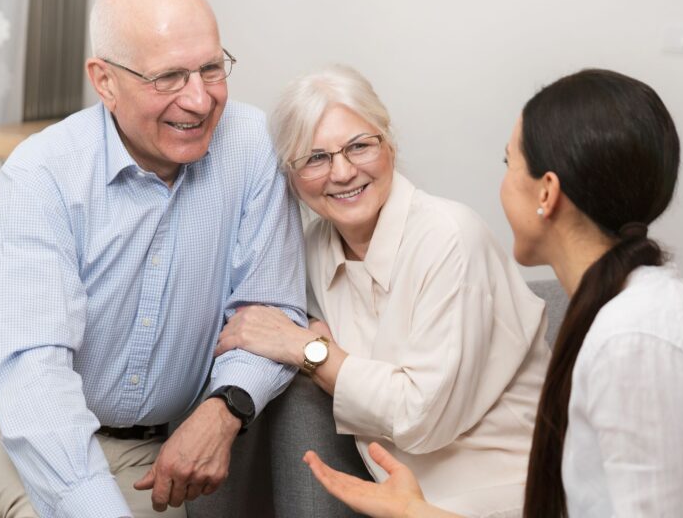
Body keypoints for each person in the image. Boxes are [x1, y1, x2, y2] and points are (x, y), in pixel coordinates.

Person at [300, 69, 683, 518]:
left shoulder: (640, 342)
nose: (501, 184)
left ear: (546, 193)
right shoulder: (625, 309)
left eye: (509, 165)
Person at [0, 0, 307, 518]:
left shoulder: (253, 149)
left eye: (212, 68)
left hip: (138, 445)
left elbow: (270, 310)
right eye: (168, 77)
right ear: (104, 81)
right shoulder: (43, 172)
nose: (199, 100)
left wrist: (225, 407)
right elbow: (34, 375)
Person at [214, 65, 552, 517]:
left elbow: (422, 417)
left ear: (388, 144)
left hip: (502, 498)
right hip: (400, 501)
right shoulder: (314, 247)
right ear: (291, 177)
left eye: (359, 146)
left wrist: (308, 348)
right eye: (315, 158)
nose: (343, 171)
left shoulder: (449, 237)